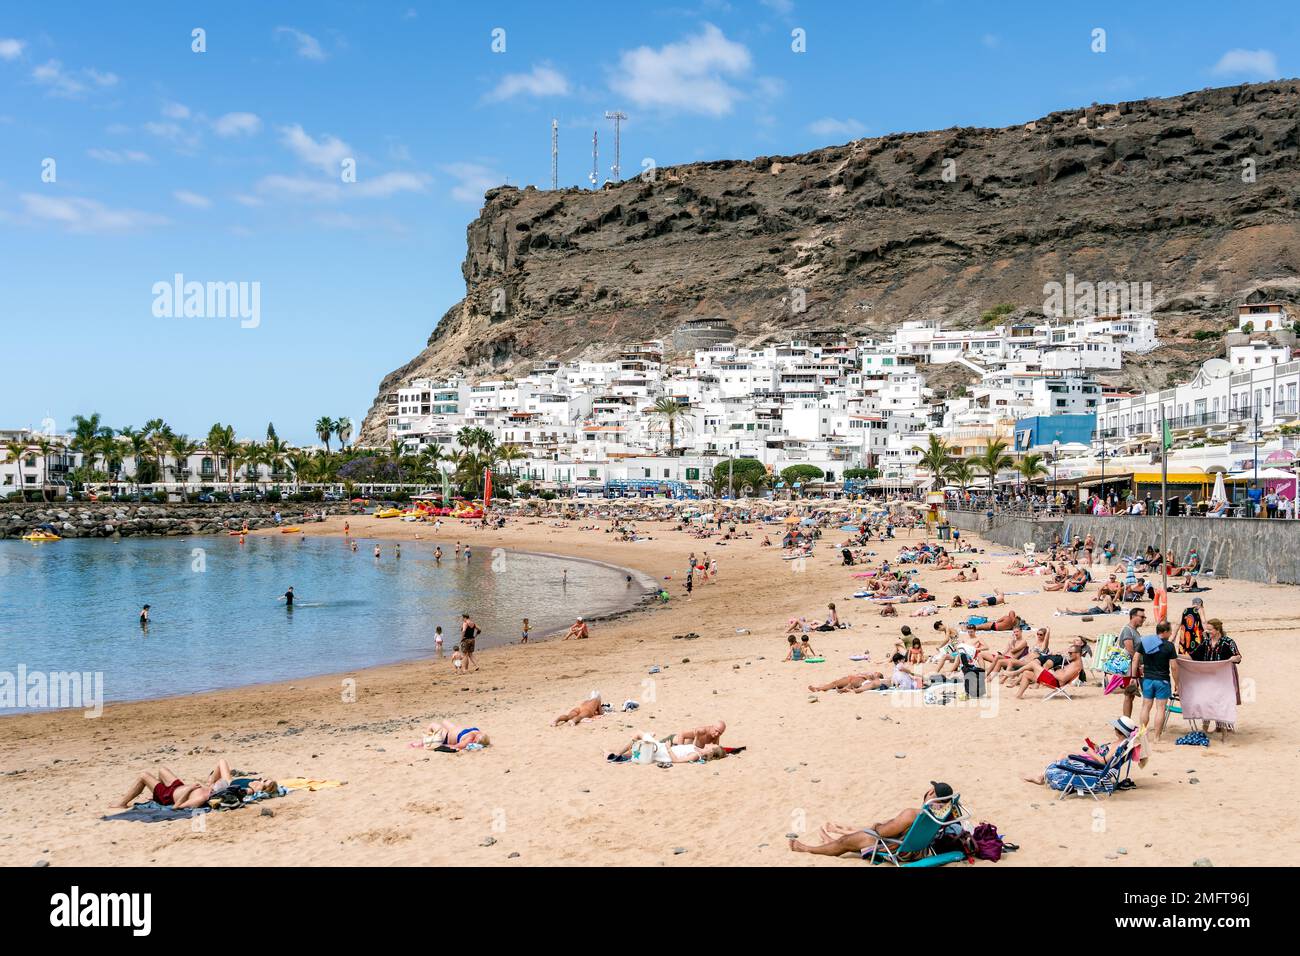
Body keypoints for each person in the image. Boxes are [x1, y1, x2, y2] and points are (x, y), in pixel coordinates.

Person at [788, 782, 959, 860]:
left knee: (845, 842)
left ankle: (806, 848)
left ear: (931, 793)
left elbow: (882, 833)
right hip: (918, 850)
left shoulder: (912, 814)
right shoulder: (941, 814)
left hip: (899, 851)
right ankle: (831, 841)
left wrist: (876, 824)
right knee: (860, 835)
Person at [112, 758, 277, 811]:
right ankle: (155, 795)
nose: (214, 787)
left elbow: (177, 807)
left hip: (170, 795)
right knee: (162, 769)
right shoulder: (210, 790)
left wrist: (190, 789)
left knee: (143, 775)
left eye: (263, 783)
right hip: (178, 786)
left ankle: (121, 804)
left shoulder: (203, 797)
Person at [1137, 621, 1178, 739]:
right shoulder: (1169, 646)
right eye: (1170, 631)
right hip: (1162, 680)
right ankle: (1156, 737)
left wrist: (1135, 676)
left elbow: (1136, 659)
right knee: (1160, 709)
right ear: (1164, 632)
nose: (1171, 634)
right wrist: (1177, 683)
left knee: (1146, 707)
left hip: (1148, 679)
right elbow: (1174, 667)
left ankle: (1142, 734)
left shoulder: (1145, 642)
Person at [425, 720, 489, 750]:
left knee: (432, 725)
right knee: (444, 721)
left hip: (447, 736)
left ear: (475, 740)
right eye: (479, 734)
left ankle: (427, 741)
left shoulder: (470, 739)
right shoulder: (477, 731)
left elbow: (456, 746)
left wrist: (443, 745)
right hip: (454, 729)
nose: (477, 734)